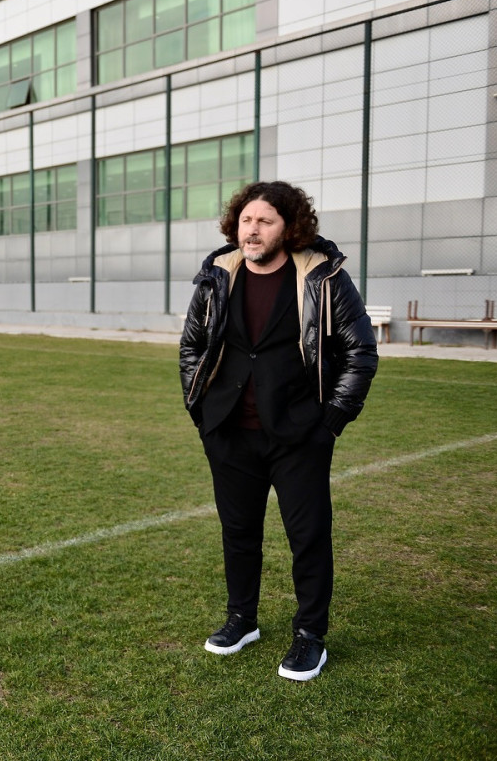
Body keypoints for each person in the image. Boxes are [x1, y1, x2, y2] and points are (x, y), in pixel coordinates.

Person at [179, 180, 377, 681]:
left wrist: (332, 418)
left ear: (290, 226)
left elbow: (359, 352)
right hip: (228, 430)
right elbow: (192, 347)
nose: (252, 229)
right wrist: (200, 411)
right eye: (246, 220)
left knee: (308, 536)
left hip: (298, 434)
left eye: (265, 220)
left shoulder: (322, 277)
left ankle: (310, 635)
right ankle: (242, 619)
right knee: (238, 532)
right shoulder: (217, 275)